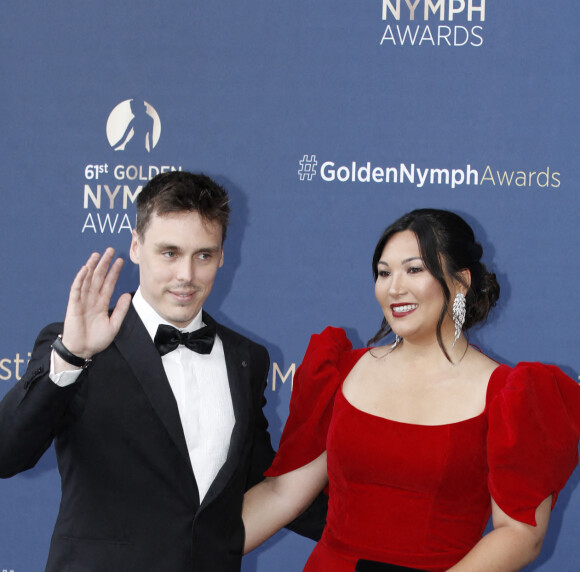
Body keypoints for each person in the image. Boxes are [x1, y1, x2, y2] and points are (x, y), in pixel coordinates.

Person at [0, 171, 322, 571]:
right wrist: (71, 355)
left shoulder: (246, 359)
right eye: (169, 253)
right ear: (136, 247)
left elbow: (263, 480)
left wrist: (383, 530)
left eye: (203, 255)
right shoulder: (80, 345)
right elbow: (6, 453)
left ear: (223, 255)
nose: (186, 275)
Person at [242, 208, 580, 571]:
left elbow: (520, 534)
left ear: (461, 282)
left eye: (414, 269)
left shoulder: (510, 395)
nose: (394, 287)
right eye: (383, 273)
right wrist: (189, 550)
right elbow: (283, 494)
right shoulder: (341, 371)